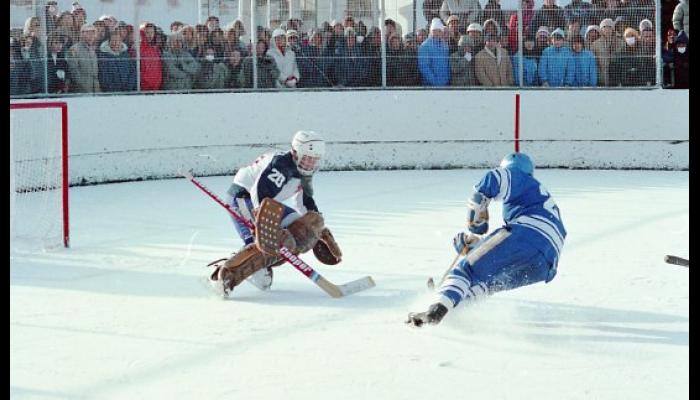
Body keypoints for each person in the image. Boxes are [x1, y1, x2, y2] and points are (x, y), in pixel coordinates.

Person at [407, 152, 566, 327]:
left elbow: (489, 185)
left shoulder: (518, 176)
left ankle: (436, 310)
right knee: (487, 283)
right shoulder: (538, 197)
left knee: (467, 271)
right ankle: (451, 311)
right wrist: (477, 247)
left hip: (527, 235)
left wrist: (475, 224)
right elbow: (504, 249)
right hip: (546, 263)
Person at [209, 131, 342, 296]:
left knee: (301, 232)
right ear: (295, 152)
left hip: (269, 204)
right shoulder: (281, 165)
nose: (311, 164)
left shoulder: (304, 171)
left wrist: (319, 229)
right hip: (243, 198)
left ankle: (261, 265)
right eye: (308, 158)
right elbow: (259, 192)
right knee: (261, 244)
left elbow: (304, 201)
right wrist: (265, 223)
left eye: (315, 159)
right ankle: (224, 276)